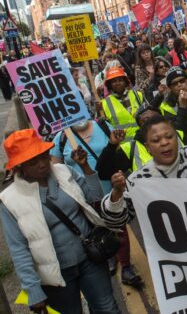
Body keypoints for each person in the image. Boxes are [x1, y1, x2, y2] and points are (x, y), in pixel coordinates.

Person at [0, 129, 120, 314]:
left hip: (90, 259)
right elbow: (18, 249)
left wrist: (86, 168)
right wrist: (33, 290)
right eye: (33, 162)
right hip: (56, 276)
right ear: (19, 166)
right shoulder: (9, 201)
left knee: (107, 308)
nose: (42, 164)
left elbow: (95, 198)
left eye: (44, 156)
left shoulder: (64, 171)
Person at [100, 68, 187, 229]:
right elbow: (115, 220)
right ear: (148, 147)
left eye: (169, 136)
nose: (164, 143)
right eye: (156, 140)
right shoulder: (141, 180)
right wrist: (117, 193)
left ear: (177, 137)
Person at [49, 120, 143, 286]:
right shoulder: (61, 137)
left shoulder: (103, 126)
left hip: (111, 188)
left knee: (118, 228)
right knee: (96, 230)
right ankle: (108, 257)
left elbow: (120, 151)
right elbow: (56, 169)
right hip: (83, 196)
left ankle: (126, 266)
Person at [101, 67, 144, 142]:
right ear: (110, 85)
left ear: (125, 82)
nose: (117, 83)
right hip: (123, 146)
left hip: (143, 140)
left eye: (120, 80)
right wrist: (99, 112)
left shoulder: (138, 95)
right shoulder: (104, 103)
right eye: (114, 81)